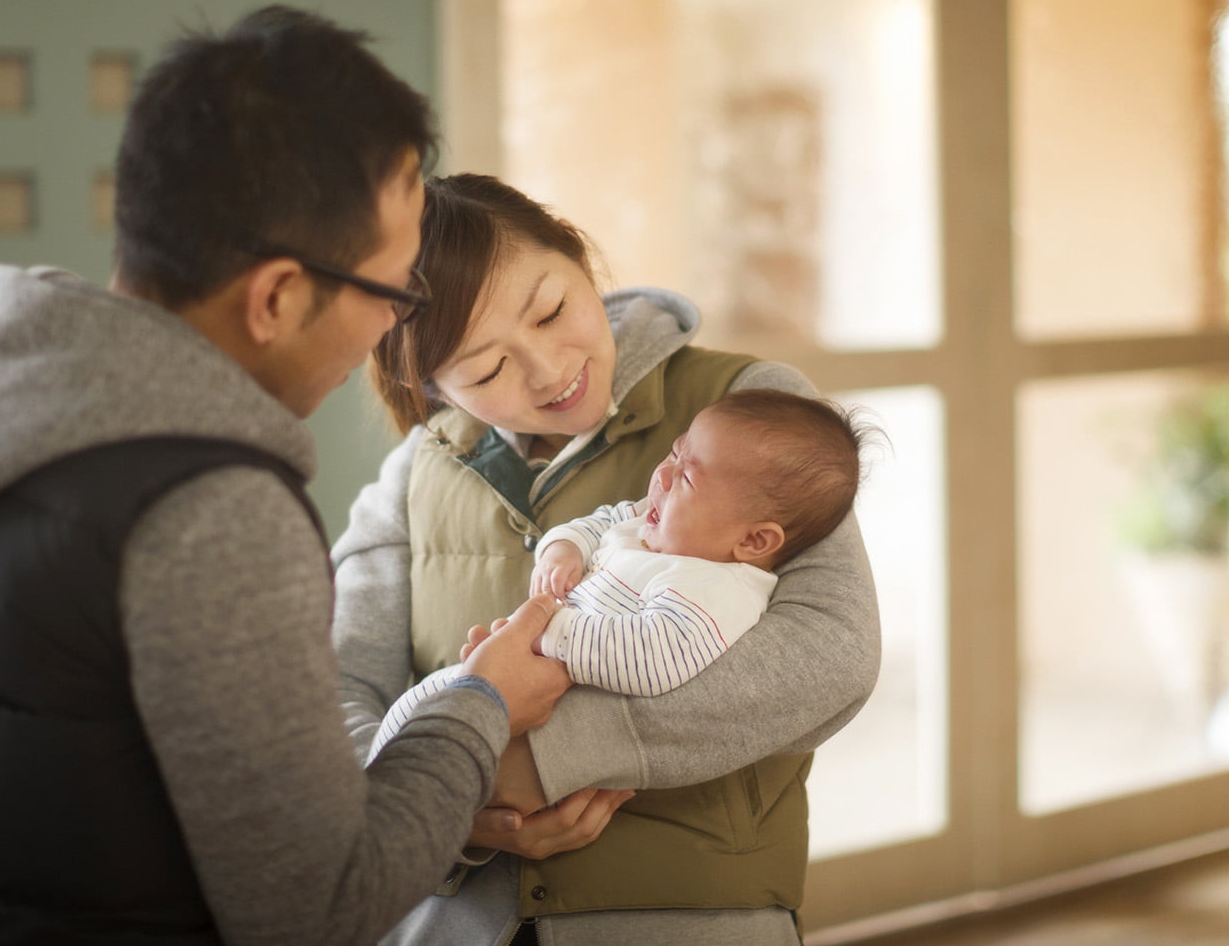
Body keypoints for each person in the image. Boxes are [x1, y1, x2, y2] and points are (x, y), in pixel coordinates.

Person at [0, 8, 574, 946]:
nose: (393, 327)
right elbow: (321, 908)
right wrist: (480, 706)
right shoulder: (212, 512)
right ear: (276, 297)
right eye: (394, 292)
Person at [332, 173, 882, 946]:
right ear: (431, 384)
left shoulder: (745, 409)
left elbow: (832, 651)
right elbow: (336, 693)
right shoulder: (413, 473)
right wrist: (451, 810)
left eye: (551, 311)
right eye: (486, 370)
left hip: (688, 918)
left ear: (578, 256)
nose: (548, 369)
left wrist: (535, 762)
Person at [366, 388, 874, 767]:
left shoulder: (719, 589)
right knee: (411, 729)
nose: (662, 476)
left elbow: (654, 657)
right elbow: (603, 521)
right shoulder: (654, 524)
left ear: (755, 541)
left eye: (687, 477)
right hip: (514, 675)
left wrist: (541, 633)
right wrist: (565, 548)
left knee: (423, 743)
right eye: (674, 453)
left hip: (544, 713)